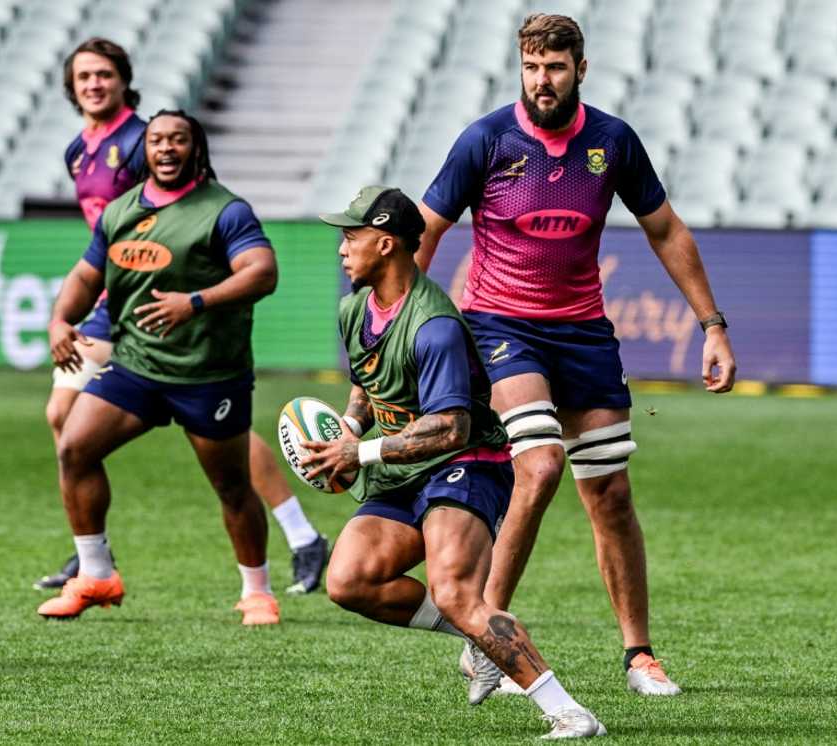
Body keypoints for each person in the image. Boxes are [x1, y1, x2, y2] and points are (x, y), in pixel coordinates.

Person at [415, 13, 737, 699]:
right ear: (520, 68)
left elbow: (666, 229)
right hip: (502, 325)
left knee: (611, 494)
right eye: (532, 67)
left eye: (555, 67)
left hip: (584, 332)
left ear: (580, 70)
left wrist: (711, 325)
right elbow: (426, 229)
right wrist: (399, 324)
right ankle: (486, 635)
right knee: (539, 464)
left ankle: (640, 656)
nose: (543, 80)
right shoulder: (486, 139)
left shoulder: (612, 141)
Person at [301, 186, 606, 739]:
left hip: (466, 461)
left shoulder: (434, 326)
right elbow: (367, 384)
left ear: (386, 242)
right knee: (348, 581)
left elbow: (451, 428)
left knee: (456, 592)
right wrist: (347, 429)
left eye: (352, 235)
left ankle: (569, 712)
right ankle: (478, 635)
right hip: (399, 468)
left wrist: (360, 451)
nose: (342, 248)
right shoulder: (353, 309)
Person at [35, 37, 327, 595]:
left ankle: (297, 534)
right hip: (115, 299)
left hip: (159, 306)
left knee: (214, 432)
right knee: (66, 419)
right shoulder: (79, 149)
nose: (94, 85)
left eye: (104, 75)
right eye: (83, 77)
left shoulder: (143, 141)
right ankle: (91, 552)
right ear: (71, 88)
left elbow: (178, 216)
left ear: (124, 82)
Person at [39, 110, 283, 625]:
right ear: (143, 151)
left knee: (231, 486)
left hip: (209, 373)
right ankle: (96, 573)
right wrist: (61, 320)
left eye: (178, 139)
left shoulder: (225, 211)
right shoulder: (121, 210)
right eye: (156, 140)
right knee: (74, 447)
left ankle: (257, 591)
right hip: (138, 364)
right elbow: (86, 275)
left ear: (197, 149)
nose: (167, 148)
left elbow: (263, 273)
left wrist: (194, 302)